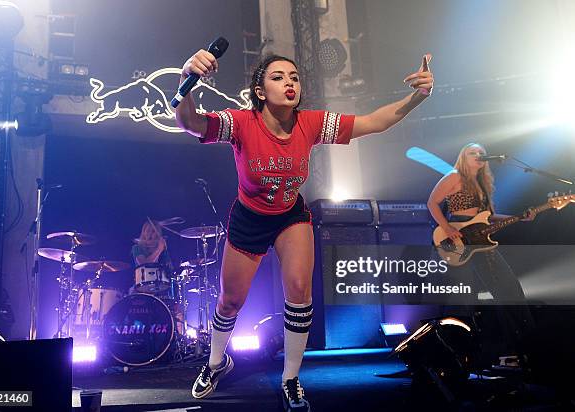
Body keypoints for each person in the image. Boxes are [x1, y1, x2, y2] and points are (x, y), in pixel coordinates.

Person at [175, 49, 434, 411]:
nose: (290, 82)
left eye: (294, 77)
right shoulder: (242, 123)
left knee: (299, 290)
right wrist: (187, 79)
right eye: (278, 77)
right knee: (230, 300)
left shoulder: (310, 123)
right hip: (249, 218)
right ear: (260, 91)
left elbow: (375, 121)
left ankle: (291, 378)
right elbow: (191, 123)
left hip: (289, 214)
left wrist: (417, 96)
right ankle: (217, 362)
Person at [427, 142, 535, 365]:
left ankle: (524, 347)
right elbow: (432, 203)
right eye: (472, 153)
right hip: (458, 238)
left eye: (481, 153)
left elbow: (487, 217)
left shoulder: (483, 184)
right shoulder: (453, 176)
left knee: (509, 290)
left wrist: (518, 217)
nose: (477, 155)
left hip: (480, 241)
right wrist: (447, 228)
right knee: (461, 298)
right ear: (463, 157)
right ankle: (453, 355)